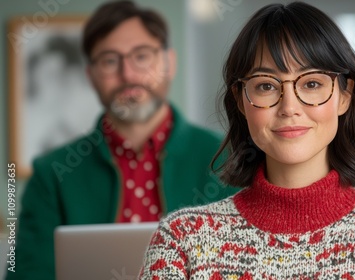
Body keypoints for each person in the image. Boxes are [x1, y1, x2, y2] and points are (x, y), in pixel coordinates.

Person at [139, 2, 355, 279]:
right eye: (266, 86)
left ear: (345, 96)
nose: (289, 107)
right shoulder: (182, 241)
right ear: (240, 101)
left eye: (312, 83)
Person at [7, 1, 237, 279]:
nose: (127, 74)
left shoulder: (228, 158)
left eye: (141, 56)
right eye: (109, 60)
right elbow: (26, 274)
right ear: (91, 77)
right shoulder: (50, 175)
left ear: (169, 63)